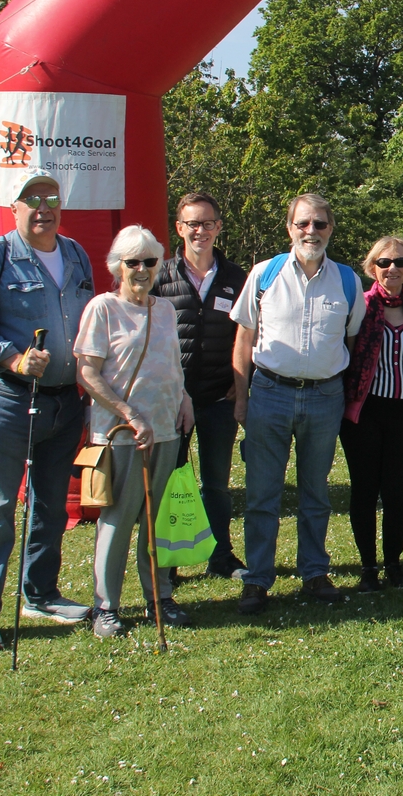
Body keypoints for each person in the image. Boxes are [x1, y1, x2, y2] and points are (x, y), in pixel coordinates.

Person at [0, 171, 95, 653]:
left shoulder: (75, 253)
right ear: (13, 209)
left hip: (65, 402)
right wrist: (15, 357)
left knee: (51, 506)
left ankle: (40, 594)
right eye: (31, 199)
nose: (43, 207)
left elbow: (87, 323)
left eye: (51, 198)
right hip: (12, 400)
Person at [230, 194, 365, 611]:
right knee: (262, 493)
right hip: (269, 394)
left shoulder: (346, 280)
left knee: (315, 491)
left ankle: (314, 572)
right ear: (290, 228)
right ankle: (257, 579)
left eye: (320, 224)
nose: (312, 232)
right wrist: (240, 401)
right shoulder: (264, 274)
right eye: (304, 223)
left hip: (325, 397)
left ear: (330, 229)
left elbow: (353, 337)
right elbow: (244, 338)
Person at [75, 226, 194, 637]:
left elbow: (173, 364)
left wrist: (185, 399)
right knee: (118, 519)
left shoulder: (164, 309)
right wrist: (128, 414)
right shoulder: (102, 309)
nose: (142, 270)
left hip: (165, 429)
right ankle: (105, 607)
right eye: (133, 262)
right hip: (122, 434)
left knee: (157, 521)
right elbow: (87, 373)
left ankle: (159, 597)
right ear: (117, 267)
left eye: (150, 262)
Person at [153, 192, 249, 580]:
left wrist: (241, 382)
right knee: (170, 480)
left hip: (218, 397)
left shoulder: (236, 277)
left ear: (218, 227)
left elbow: (251, 334)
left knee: (216, 484)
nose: (200, 231)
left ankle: (221, 555)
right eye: (192, 223)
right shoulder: (159, 276)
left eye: (207, 223)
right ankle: (170, 561)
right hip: (172, 399)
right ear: (179, 228)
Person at [341, 237, 403, 592]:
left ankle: (393, 563)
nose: (392, 268)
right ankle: (367, 567)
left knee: (398, 492)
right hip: (365, 412)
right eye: (384, 262)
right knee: (364, 490)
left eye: (400, 262)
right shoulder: (358, 306)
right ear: (371, 266)